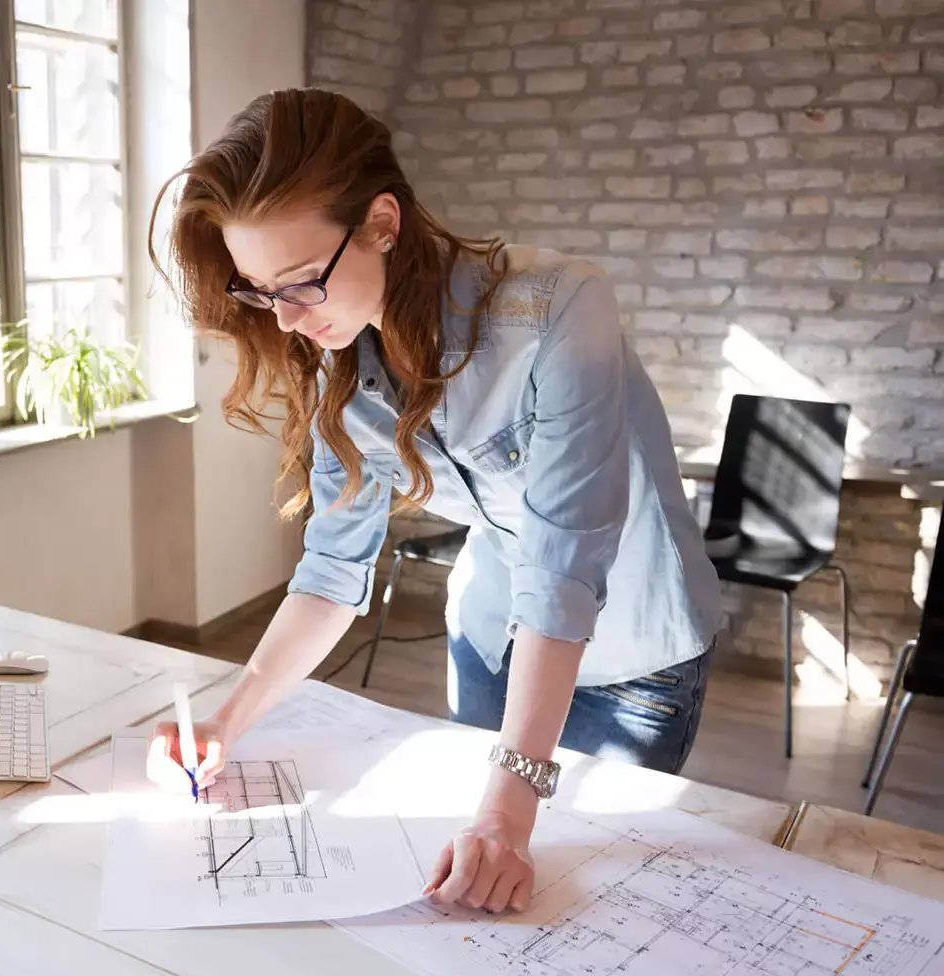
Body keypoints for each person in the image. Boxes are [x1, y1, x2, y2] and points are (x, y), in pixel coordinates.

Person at [144, 88, 721, 915]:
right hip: (490, 634)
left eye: (301, 283)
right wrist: (225, 723)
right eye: (261, 292)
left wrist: (506, 810)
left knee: (585, 897)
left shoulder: (560, 307)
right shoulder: (331, 351)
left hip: (633, 648)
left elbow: (564, 569)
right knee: (469, 905)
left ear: (382, 222)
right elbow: (332, 569)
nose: (287, 320)